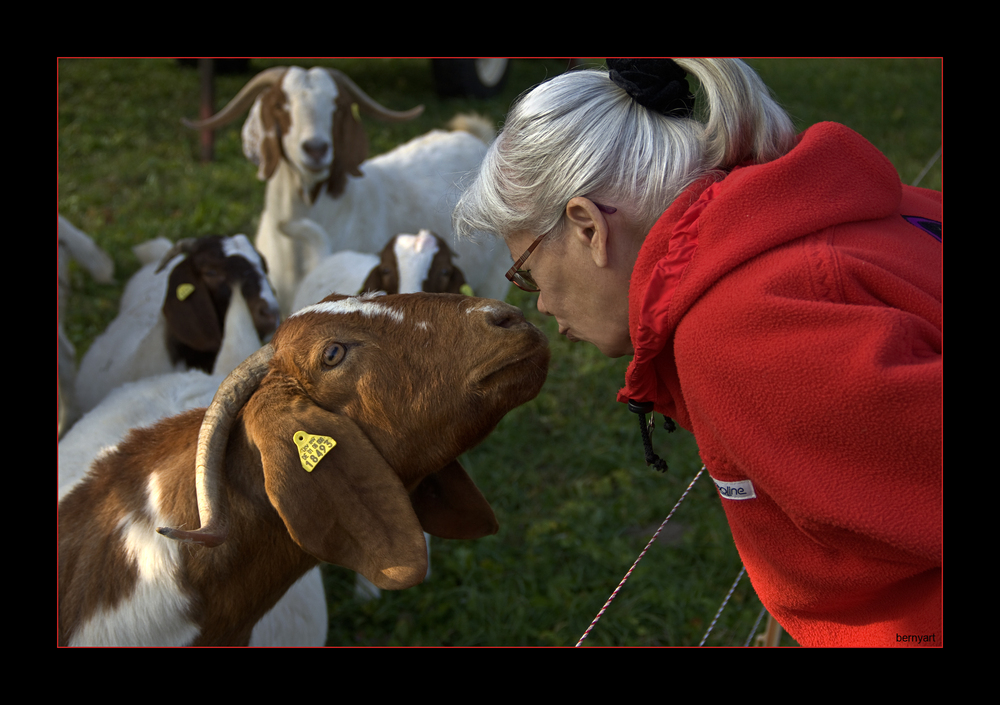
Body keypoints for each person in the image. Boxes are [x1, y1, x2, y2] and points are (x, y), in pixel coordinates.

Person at [453, 59, 942, 647]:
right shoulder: (809, 226)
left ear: (587, 227)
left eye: (528, 273)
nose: (539, 306)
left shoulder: (739, 334)